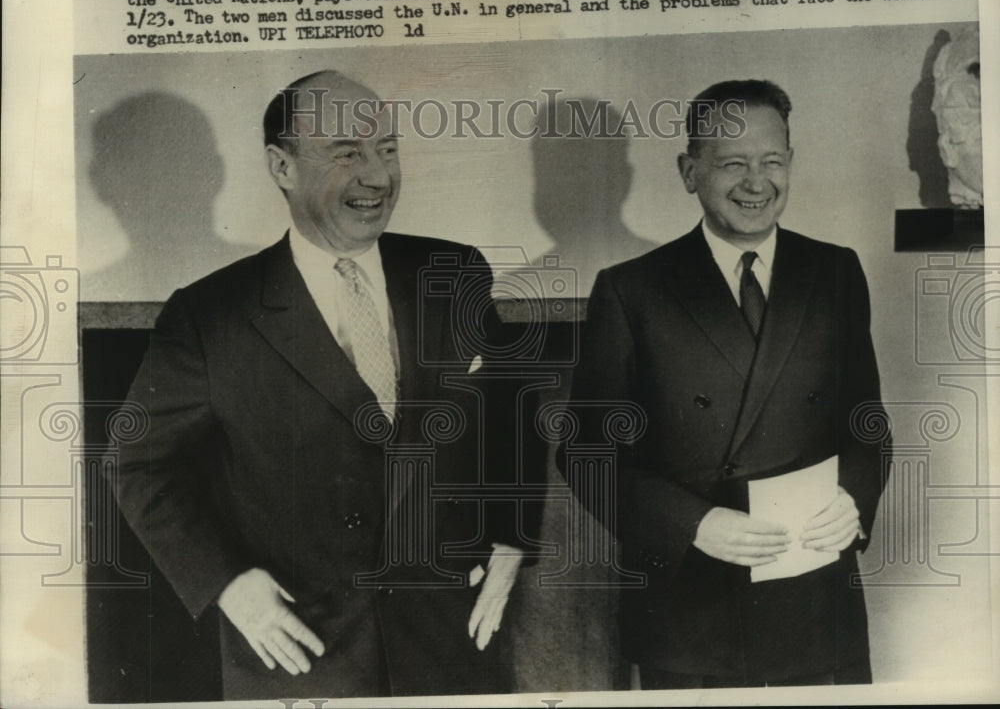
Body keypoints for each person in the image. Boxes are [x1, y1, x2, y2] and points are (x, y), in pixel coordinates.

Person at [109, 70, 526, 699]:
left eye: (387, 150)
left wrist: (512, 535)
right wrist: (224, 582)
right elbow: (135, 462)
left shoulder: (456, 271)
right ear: (282, 167)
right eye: (346, 154)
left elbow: (507, 416)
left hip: (452, 641)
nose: (377, 177)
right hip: (300, 649)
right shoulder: (210, 314)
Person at [558, 79, 889, 688]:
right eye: (732, 163)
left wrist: (855, 500)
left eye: (772, 162)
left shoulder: (835, 269)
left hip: (816, 601)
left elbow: (866, 423)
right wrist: (694, 524)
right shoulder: (631, 290)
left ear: (792, 164)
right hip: (691, 613)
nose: (756, 183)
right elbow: (585, 452)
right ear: (689, 172)